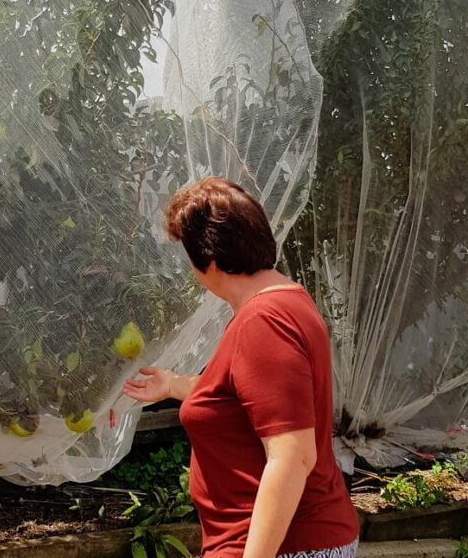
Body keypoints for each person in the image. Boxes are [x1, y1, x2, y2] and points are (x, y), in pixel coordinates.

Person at [122, 176, 359, 558]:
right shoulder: (286, 301)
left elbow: (293, 456)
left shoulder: (264, 322)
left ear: (210, 260)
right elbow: (242, 396)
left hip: (284, 546)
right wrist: (174, 385)